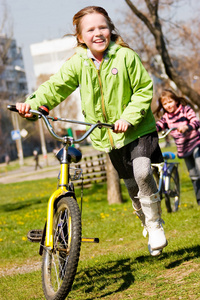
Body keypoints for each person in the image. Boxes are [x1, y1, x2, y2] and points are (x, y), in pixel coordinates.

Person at [16, 6, 167, 256]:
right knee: (131, 185)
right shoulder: (79, 63)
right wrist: (31, 105)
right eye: (91, 29)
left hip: (138, 128)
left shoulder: (125, 57)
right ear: (80, 37)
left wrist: (128, 118)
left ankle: (155, 223)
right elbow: (56, 87)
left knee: (142, 173)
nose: (98, 33)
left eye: (103, 27)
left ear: (111, 30)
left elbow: (143, 90)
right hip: (108, 136)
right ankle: (146, 222)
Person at [155, 89, 200, 205]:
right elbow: (160, 125)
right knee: (194, 176)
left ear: (175, 100)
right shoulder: (166, 117)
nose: (168, 105)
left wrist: (187, 127)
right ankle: (199, 200)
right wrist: (152, 130)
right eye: (165, 104)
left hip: (195, 144)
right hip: (183, 149)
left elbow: (196, 122)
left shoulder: (185, 110)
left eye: (170, 102)